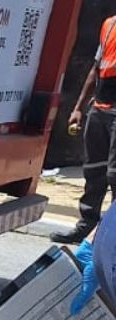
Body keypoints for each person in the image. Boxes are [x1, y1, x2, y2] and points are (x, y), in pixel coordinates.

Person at [55, 15, 116, 244]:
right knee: (94, 170)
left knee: (114, 174)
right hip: (100, 108)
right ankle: (87, 224)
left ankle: (110, 233)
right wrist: (79, 108)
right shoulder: (109, 25)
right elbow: (96, 68)